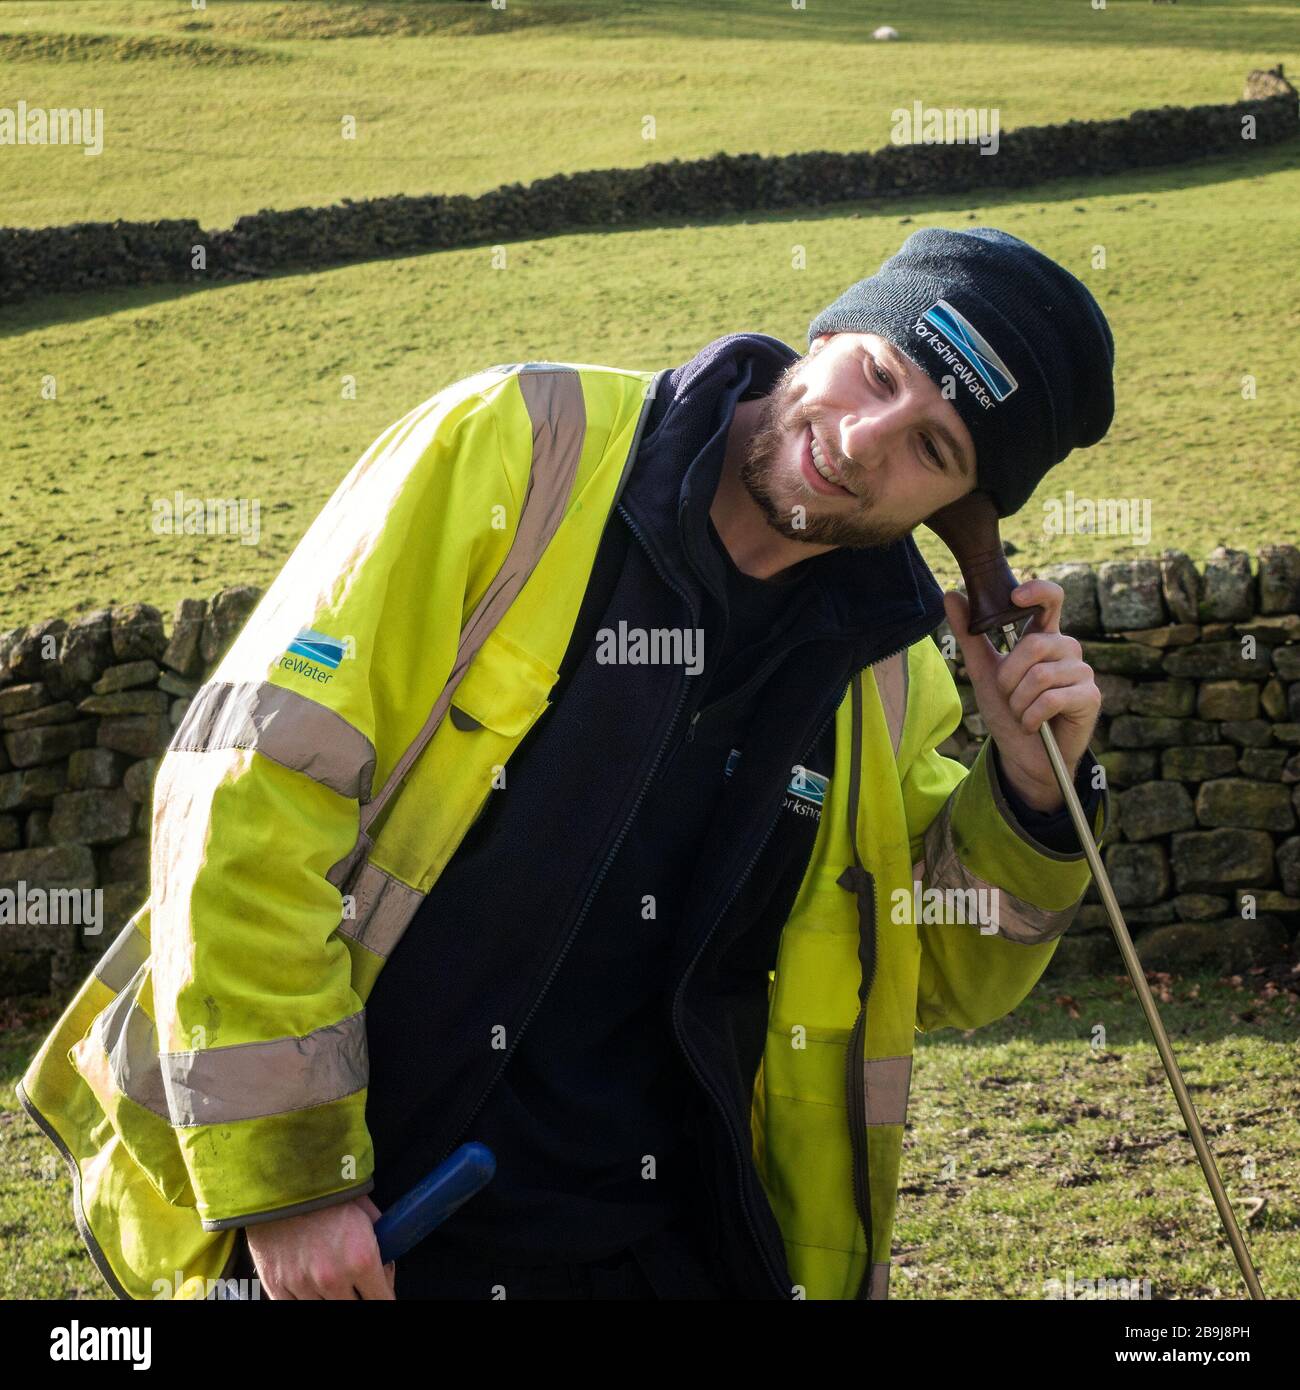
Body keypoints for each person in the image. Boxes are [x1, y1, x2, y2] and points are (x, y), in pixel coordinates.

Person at [19, 226, 1115, 1301]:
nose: (868, 437)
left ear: (962, 513)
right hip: (385, 1228)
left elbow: (932, 968)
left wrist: (1028, 788)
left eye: (935, 447)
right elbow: (254, 788)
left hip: (675, 1246)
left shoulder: (884, 674)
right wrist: (293, 1176)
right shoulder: (519, 449)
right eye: (877, 372)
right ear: (826, 332)